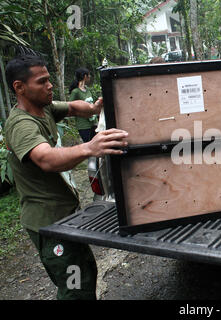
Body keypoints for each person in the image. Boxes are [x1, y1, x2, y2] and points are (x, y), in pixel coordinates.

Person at [4, 54, 128, 300]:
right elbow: (46, 159)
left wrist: (94, 108)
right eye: (42, 82)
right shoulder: (21, 125)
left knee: (85, 273)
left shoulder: (44, 108)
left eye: (49, 79)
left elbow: (72, 107)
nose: (49, 86)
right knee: (75, 287)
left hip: (66, 217)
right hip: (48, 222)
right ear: (19, 87)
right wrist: (89, 148)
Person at [69, 68, 97, 142]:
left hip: (93, 123)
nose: (90, 77)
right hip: (83, 125)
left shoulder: (87, 89)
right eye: (89, 75)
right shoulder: (75, 92)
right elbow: (70, 107)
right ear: (85, 76)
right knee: (88, 145)